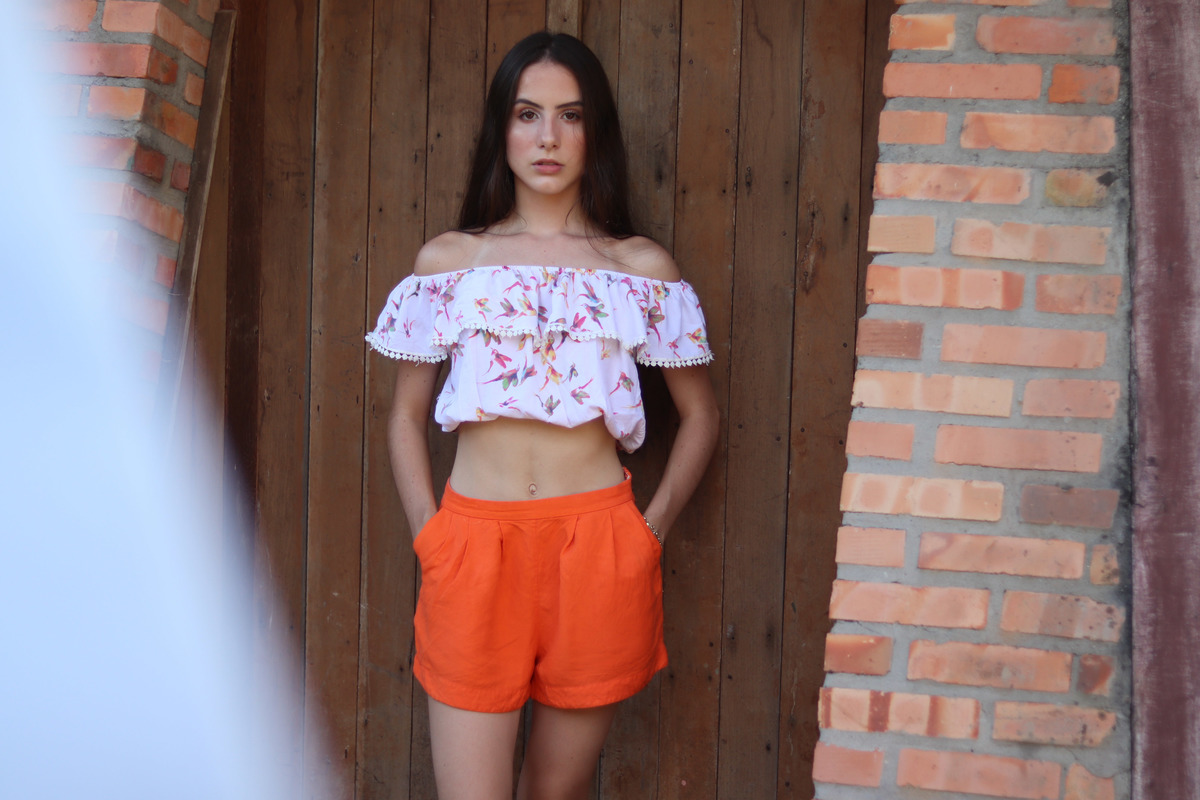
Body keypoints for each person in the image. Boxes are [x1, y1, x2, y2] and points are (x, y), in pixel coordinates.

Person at [366, 31, 719, 800]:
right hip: (471, 547)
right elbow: (405, 417)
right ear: (503, 129)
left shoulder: (640, 271)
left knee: (554, 792)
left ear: (596, 132)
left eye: (570, 115)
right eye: (528, 114)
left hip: (599, 550)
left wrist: (647, 534)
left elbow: (701, 417)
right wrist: (430, 533)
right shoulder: (449, 264)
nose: (548, 137)